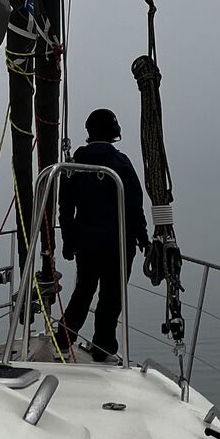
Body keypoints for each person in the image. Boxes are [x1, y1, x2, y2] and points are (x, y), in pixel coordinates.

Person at [57, 106, 149, 358]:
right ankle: (102, 346)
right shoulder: (121, 163)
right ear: (114, 131)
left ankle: (63, 338)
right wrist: (143, 238)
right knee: (112, 297)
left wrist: (68, 241)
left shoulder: (73, 164)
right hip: (118, 244)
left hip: (87, 243)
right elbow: (134, 203)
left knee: (84, 290)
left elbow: (65, 206)